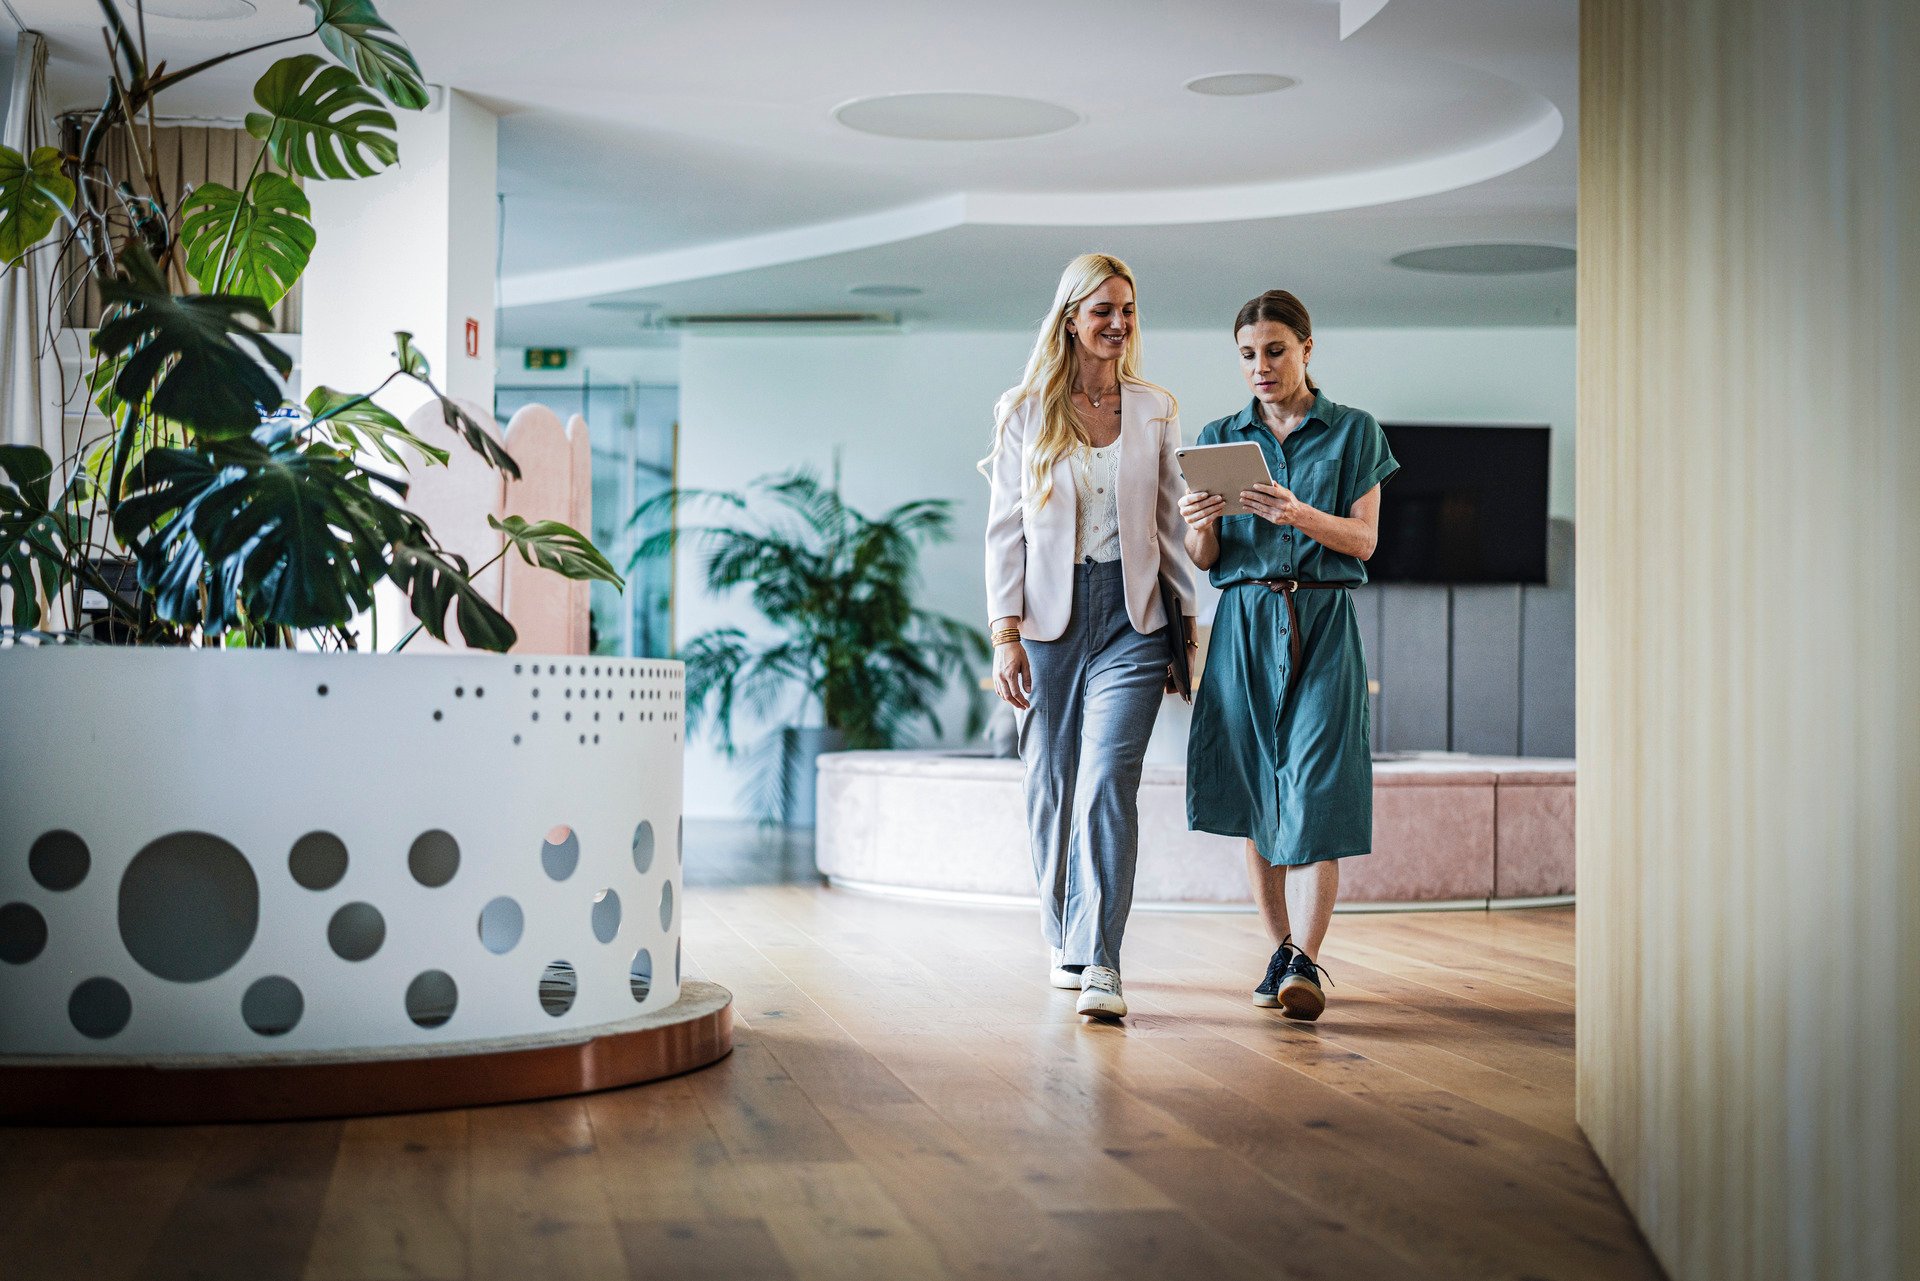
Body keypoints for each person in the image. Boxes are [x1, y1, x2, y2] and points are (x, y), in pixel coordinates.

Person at [981, 253, 1196, 1021]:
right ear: (1071, 316)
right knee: (1049, 783)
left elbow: (1169, 526)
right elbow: (1005, 531)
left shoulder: (1155, 409)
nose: (1118, 323)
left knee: (1108, 779)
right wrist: (1005, 633)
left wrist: (1185, 634)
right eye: (1102, 308)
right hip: (1048, 622)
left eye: (1128, 309)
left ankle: (1101, 958)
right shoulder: (1026, 410)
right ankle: (1063, 931)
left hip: (1134, 620)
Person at [1179, 289, 1398, 1021]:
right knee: (1254, 794)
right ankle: (1284, 951)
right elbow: (1208, 557)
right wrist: (1198, 525)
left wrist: (1297, 513)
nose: (1261, 367)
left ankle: (1306, 958)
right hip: (1242, 619)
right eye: (1247, 354)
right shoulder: (1219, 435)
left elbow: (1364, 543)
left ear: (1307, 347)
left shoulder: (1355, 432)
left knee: (1315, 787)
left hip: (1322, 618)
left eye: (1275, 350)